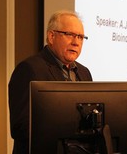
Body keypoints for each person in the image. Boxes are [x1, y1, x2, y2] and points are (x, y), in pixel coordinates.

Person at [8, 10, 92, 153]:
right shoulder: (29, 69)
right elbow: (20, 127)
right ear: (51, 36)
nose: (76, 42)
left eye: (80, 37)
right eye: (70, 35)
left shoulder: (84, 73)